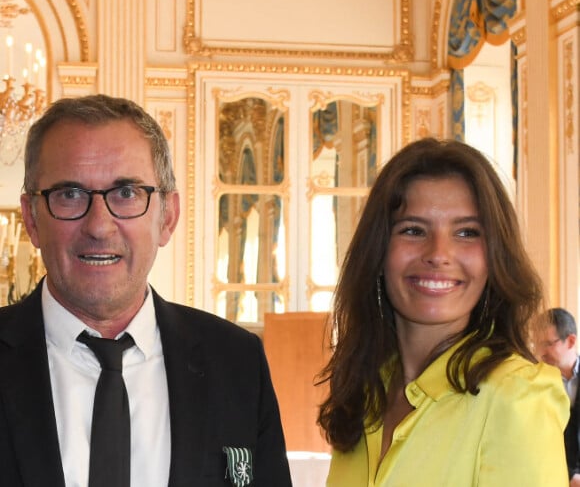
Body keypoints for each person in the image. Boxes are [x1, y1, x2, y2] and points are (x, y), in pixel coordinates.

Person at [0, 94, 292, 487]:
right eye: (70, 195)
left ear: (167, 217)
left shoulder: (237, 363)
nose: (99, 226)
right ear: (32, 220)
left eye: (126, 193)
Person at [317, 137, 569, 486]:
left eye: (467, 232)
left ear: (494, 258)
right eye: (413, 230)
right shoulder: (366, 395)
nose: (439, 253)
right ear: (378, 252)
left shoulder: (516, 397)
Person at [537, 308, 580, 486]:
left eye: (548, 343)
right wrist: (570, 475)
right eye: (538, 344)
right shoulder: (536, 384)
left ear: (570, 341)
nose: (541, 352)